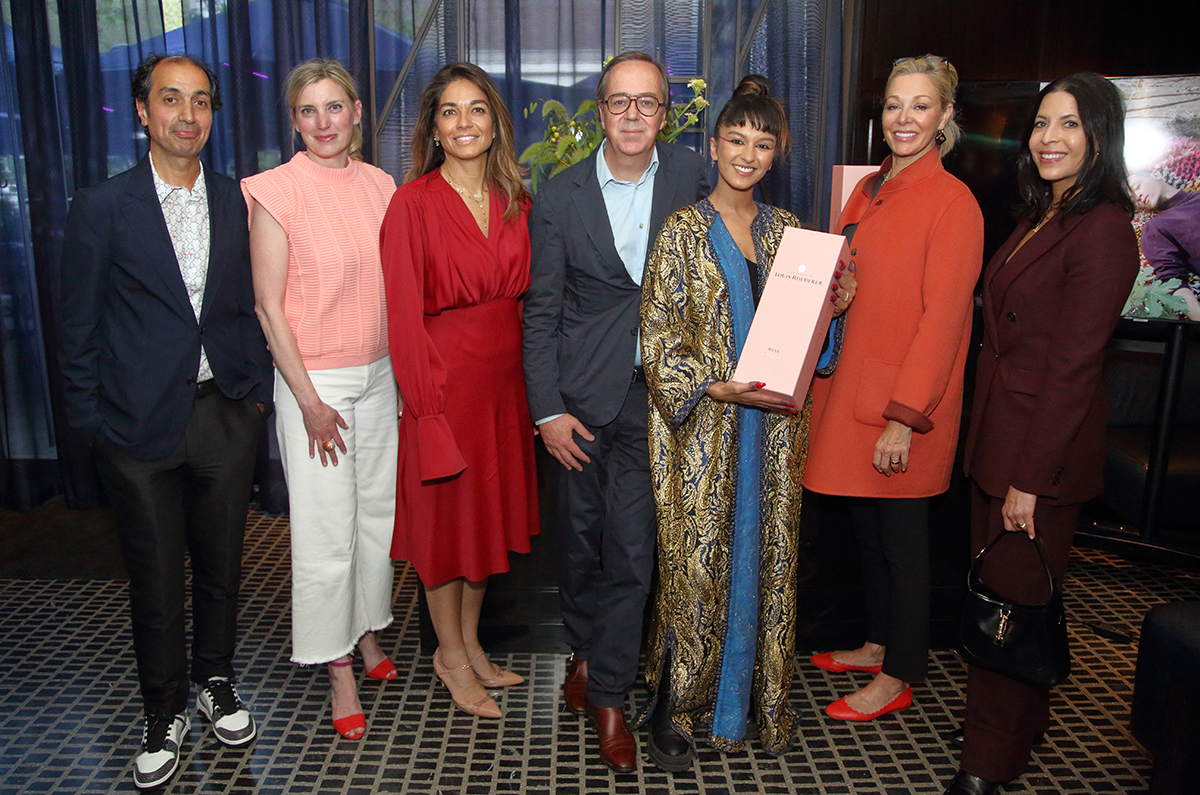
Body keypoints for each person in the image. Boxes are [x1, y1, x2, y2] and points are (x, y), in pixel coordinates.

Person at [56, 54, 271, 789]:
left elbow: (252, 304)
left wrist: (254, 398)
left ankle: (216, 680)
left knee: (221, 569)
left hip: (224, 416)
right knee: (153, 579)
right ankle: (163, 709)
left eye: (201, 101)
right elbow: (75, 328)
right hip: (136, 429)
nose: (188, 114)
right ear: (142, 111)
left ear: (213, 113)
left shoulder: (239, 198)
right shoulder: (100, 206)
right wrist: (94, 427)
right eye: (171, 99)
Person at [638, 76, 855, 771]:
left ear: (776, 153)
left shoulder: (791, 232)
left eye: (763, 143)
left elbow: (813, 350)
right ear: (713, 144)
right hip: (705, 431)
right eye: (737, 139)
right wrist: (710, 384)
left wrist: (836, 305)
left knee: (763, 558)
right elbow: (657, 340)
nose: (748, 153)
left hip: (775, 434)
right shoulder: (680, 231)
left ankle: (751, 702)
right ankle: (675, 702)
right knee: (693, 567)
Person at [945, 72, 1140, 795]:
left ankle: (987, 765)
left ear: (1099, 136)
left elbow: (1073, 368)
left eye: (1070, 125)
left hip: (1037, 455)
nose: (1049, 138)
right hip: (999, 440)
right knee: (1002, 598)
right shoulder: (1044, 214)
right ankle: (1014, 725)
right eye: (1042, 124)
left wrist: (1029, 475)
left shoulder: (1105, 229)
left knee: (1010, 605)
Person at [521, 51, 710, 773]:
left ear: (665, 114)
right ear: (600, 112)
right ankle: (582, 646)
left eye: (648, 103)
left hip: (656, 402)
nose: (633, 115)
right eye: (620, 102)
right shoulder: (561, 193)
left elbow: (742, 245)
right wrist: (546, 411)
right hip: (577, 400)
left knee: (632, 549)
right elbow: (540, 313)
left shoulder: (693, 177)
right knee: (578, 543)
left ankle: (609, 696)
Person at [804, 54, 984, 721]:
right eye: (893, 105)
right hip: (850, 390)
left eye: (919, 105)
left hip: (902, 405)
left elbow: (944, 319)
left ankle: (901, 672)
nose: (903, 118)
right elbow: (856, 273)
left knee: (904, 544)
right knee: (866, 528)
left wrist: (905, 416)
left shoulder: (953, 201)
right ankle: (878, 641)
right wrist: (844, 291)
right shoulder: (869, 188)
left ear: (945, 117)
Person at [242, 59, 399, 742]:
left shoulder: (382, 185)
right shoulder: (276, 190)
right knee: (326, 529)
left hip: (380, 372)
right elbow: (268, 309)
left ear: (357, 112)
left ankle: (365, 634)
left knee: (373, 518)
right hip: (317, 384)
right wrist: (304, 398)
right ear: (294, 120)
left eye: (335, 107)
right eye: (308, 111)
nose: (323, 122)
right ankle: (334, 661)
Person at [381, 62, 538, 721]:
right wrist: (426, 409)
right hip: (443, 388)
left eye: (478, 110)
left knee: (483, 527)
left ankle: (470, 642)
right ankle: (447, 653)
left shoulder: (516, 201)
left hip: (503, 391)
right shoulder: (410, 204)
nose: (465, 122)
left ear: (495, 125)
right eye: (451, 111)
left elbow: (531, 307)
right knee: (446, 534)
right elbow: (402, 319)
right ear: (434, 129)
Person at [1129, 172, 1200, 320]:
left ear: (1156, 174)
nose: (1138, 198)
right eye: (1132, 200)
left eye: (1137, 187)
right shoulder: (1155, 229)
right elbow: (1174, 283)